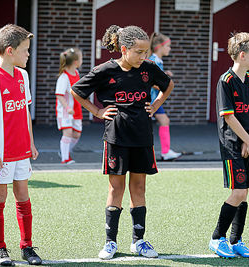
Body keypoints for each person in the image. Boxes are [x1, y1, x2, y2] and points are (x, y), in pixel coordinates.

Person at [71, 25, 174, 260]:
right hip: (116, 138)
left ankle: (139, 241)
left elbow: (167, 85)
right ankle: (110, 243)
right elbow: (77, 91)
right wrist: (96, 111)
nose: (144, 56)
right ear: (124, 49)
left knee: (138, 189)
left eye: (146, 51)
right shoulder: (104, 70)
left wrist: (156, 105)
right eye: (139, 52)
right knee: (116, 189)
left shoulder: (148, 68)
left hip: (142, 138)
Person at [0, 24, 41, 266]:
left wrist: (31, 142)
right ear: (11, 50)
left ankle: (26, 246)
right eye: (25, 50)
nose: (28, 55)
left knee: (23, 196)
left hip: (21, 150)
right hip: (0, 153)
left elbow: (25, 111)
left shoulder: (23, 76)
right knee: (0, 196)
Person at [208, 32, 249, 258]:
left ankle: (236, 240)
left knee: (245, 192)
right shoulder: (226, 81)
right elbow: (229, 118)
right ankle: (216, 238)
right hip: (233, 144)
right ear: (242, 55)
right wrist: (248, 142)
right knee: (238, 191)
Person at [148, 32, 181, 161]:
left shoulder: (157, 60)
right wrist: (163, 84)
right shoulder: (154, 60)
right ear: (159, 47)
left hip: (154, 99)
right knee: (161, 122)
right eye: (168, 46)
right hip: (151, 99)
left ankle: (166, 152)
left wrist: (164, 74)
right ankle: (165, 152)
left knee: (164, 121)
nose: (170, 49)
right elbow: (151, 80)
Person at [55, 47, 83, 164]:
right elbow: (59, 95)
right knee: (68, 133)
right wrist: (67, 107)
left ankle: (65, 151)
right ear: (76, 62)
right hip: (66, 111)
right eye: (81, 58)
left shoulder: (76, 73)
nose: (82, 61)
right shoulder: (64, 77)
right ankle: (65, 158)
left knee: (76, 134)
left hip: (76, 109)